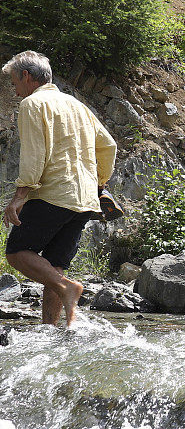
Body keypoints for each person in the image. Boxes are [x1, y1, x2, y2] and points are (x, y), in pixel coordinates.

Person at [2, 51, 117, 327]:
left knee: (17, 252)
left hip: (54, 194)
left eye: (14, 83)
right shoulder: (78, 106)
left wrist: (19, 196)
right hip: (85, 200)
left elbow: (34, 155)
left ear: (27, 77)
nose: (15, 92)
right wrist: (99, 182)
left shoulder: (33, 104)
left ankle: (68, 288)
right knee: (54, 264)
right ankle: (57, 328)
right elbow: (109, 146)